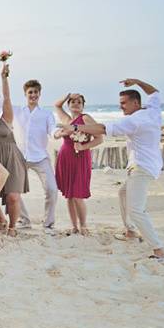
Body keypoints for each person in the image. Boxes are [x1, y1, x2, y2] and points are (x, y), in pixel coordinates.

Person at [58, 79, 164, 262]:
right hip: (149, 164)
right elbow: (154, 91)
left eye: (124, 104)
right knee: (122, 193)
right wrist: (137, 82)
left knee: (136, 211)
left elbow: (102, 129)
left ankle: (159, 250)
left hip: (141, 167)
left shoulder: (134, 121)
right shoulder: (152, 110)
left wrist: (75, 127)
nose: (121, 107)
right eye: (120, 104)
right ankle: (131, 231)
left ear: (135, 103)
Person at [0, 64, 29, 236]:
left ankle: (12, 226)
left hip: (12, 158)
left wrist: (3, 77)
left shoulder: (6, 119)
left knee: (13, 196)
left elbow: (6, 97)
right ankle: (1, 219)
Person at [11, 78, 59, 235]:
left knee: (52, 189)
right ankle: (23, 220)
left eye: (35, 92)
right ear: (25, 94)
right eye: (30, 92)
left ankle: (48, 224)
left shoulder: (46, 114)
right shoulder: (17, 111)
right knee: (13, 190)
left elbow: (52, 130)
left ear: (39, 94)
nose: (33, 95)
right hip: (20, 157)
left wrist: (57, 133)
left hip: (40, 157)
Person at [53, 92, 102, 235]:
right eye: (72, 101)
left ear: (83, 105)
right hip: (65, 157)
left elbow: (99, 138)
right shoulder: (66, 119)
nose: (75, 104)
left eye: (79, 102)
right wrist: (66, 96)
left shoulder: (85, 118)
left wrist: (83, 147)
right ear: (68, 104)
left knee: (77, 195)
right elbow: (57, 105)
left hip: (80, 158)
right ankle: (74, 226)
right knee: (69, 195)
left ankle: (84, 225)